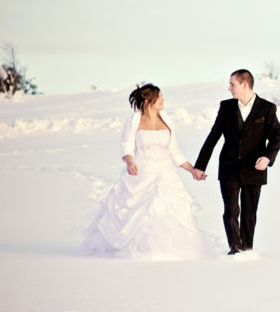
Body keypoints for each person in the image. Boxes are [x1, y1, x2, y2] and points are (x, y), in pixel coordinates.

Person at [82, 84, 216, 260]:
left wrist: (192, 170)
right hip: (141, 173)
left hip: (165, 173)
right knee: (139, 212)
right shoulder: (134, 121)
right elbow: (127, 146)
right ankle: (139, 250)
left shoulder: (166, 121)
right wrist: (130, 162)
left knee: (167, 210)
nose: (163, 100)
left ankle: (168, 250)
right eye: (159, 97)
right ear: (148, 101)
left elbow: (174, 151)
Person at [192, 69, 280, 255]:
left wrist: (267, 157)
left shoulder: (267, 108)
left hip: (254, 169)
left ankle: (247, 249)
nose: (229, 88)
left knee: (249, 214)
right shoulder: (226, 107)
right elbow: (213, 138)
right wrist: (200, 166)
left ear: (244, 84)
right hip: (229, 168)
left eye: (232, 84)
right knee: (231, 211)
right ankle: (235, 248)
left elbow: (277, 136)